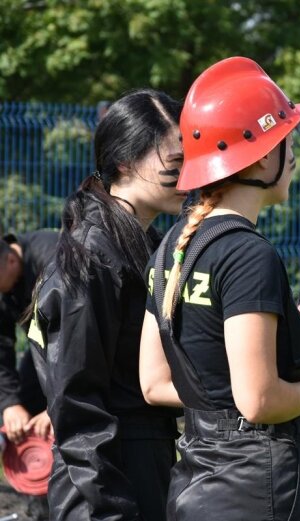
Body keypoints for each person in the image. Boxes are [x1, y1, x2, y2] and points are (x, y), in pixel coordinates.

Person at [139, 56, 300, 521]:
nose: (293, 153)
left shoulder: (171, 249)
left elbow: (156, 383)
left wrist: (274, 352)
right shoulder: (247, 253)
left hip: (195, 488)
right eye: (287, 137)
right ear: (261, 154)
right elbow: (257, 400)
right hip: (253, 492)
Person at [26, 88, 186, 521]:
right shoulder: (92, 256)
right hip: (104, 486)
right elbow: (76, 406)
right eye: (175, 163)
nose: (190, 176)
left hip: (143, 464)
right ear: (124, 163)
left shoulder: (144, 243)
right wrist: (111, 510)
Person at [0, 230, 56, 520]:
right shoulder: (4, 281)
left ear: (11, 260)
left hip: (90, 352)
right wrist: (10, 403)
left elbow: (80, 339)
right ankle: (39, 506)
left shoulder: (52, 258)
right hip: (42, 352)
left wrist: (58, 407)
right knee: (22, 401)